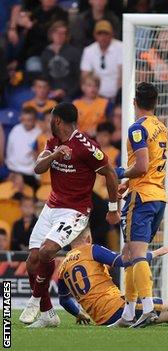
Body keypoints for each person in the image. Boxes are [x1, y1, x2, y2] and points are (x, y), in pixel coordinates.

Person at [19, 102, 120, 328]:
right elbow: (38, 168)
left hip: (74, 211)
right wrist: (55, 154)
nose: (48, 124)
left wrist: (113, 209)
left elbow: (111, 174)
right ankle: (48, 315)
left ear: (57, 121)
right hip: (51, 208)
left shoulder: (86, 147)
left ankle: (36, 299)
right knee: (31, 263)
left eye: (50, 120)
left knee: (47, 252)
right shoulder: (52, 142)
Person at [112, 82, 168, 328]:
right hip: (157, 196)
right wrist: (129, 182)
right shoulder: (161, 127)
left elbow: (142, 165)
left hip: (142, 197)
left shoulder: (137, 128)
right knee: (129, 253)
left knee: (135, 254)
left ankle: (146, 308)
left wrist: (121, 173)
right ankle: (127, 313)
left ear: (135, 102)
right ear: (155, 102)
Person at [79, 20, 122, 100]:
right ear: (95, 35)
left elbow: (122, 75)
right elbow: (85, 76)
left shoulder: (121, 47)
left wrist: (119, 97)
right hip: (95, 97)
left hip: (117, 96)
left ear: (112, 34)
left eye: (106, 34)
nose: (103, 37)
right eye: (100, 34)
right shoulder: (88, 50)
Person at [40, 21, 81, 101]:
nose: (59, 36)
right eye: (57, 32)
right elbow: (45, 77)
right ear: (51, 34)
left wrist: (66, 92)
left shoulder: (74, 52)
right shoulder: (46, 53)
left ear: (66, 36)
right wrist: (50, 91)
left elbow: (79, 78)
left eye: (63, 33)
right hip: (50, 93)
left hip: (69, 94)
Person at [5, 106, 41, 190]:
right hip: (12, 169)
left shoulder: (39, 134)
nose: (26, 123)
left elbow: (38, 159)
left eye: (29, 120)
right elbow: (9, 151)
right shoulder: (15, 129)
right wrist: (13, 171)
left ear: (35, 120)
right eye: (23, 120)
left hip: (29, 173)